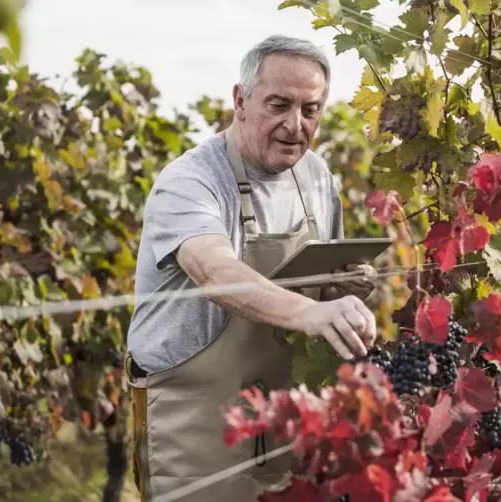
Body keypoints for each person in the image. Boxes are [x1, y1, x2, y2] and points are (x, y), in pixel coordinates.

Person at [125, 34, 379, 502]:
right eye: (279, 105)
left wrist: (342, 292)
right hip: (194, 414)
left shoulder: (316, 176)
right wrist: (311, 314)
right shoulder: (192, 182)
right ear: (240, 101)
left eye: (311, 110)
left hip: (282, 412)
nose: (295, 125)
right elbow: (215, 272)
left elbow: (318, 282)